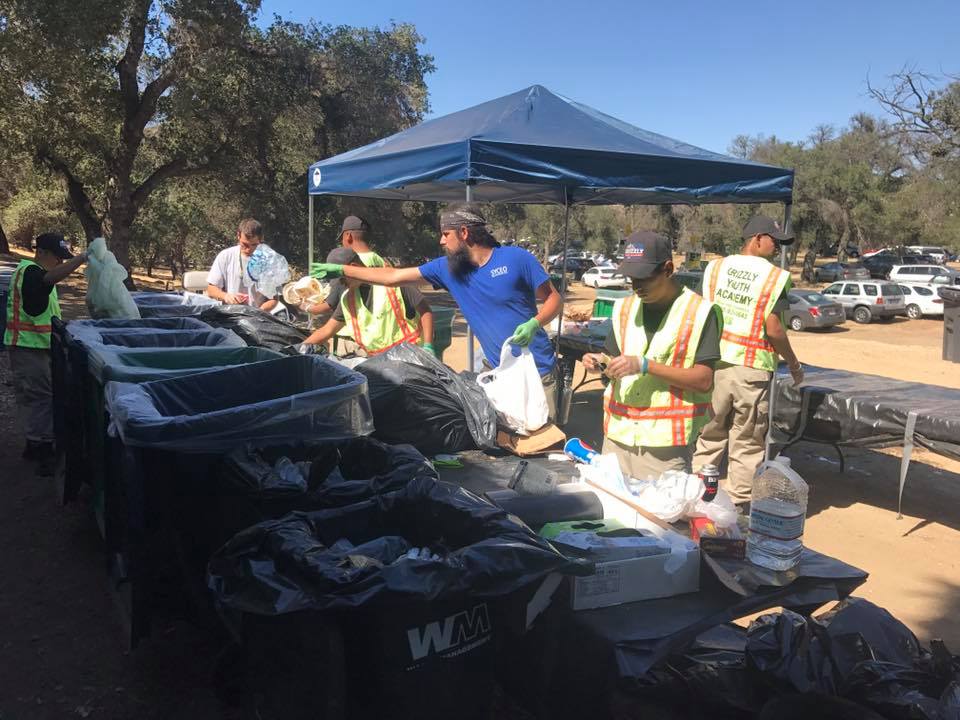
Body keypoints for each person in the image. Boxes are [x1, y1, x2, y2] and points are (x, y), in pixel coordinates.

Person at [311, 203, 563, 416]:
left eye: (445, 234)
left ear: (464, 232)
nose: (441, 240)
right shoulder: (447, 268)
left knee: (547, 446)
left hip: (538, 372)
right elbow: (393, 276)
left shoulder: (517, 259)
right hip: (497, 374)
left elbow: (553, 299)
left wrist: (535, 323)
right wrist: (343, 270)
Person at [581, 231, 721, 481]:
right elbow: (611, 356)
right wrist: (598, 362)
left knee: (659, 519)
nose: (636, 286)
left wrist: (646, 366)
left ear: (668, 269)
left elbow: (703, 381)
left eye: (644, 278)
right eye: (631, 278)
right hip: (617, 437)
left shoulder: (700, 312)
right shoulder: (625, 308)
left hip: (664, 449)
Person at [691, 215, 804, 506]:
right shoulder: (775, 277)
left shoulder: (715, 268)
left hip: (712, 365)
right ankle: (739, 505)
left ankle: (697, 499)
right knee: (747, 442)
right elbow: (774, 328)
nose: (777, 249)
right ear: (757, 239)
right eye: (774, 242)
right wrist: (792, 362)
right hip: (751, 372)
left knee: (709, 434)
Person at [5, 233, 89, 475]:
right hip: (27, 347)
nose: (61, 263)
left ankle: (36, 443)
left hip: (38, 346)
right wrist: (82, 258)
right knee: (40, 398)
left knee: (41, 396)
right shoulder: (30, 272)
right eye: (58, 258)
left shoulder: (38, 275)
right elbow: (49, 278)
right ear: (41, 252)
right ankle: (41, 449)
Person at [302, 247, 435, 356]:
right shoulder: (348, 300)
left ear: (353, 268)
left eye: (342, 280)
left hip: (410, 357)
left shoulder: (394, 284)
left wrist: (428, 346)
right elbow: (327, 330)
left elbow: (425, 310)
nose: (341, 285)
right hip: (380, 365)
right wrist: (300, 348)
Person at [299, 215, 382, 320]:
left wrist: (306, 307)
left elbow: (329, 305)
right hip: (377, 322)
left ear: (348, 236)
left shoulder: (346, 262)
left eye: (342, 238)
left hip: (351, 328)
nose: (342, 243)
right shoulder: (380, 261)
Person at [206, 218, 279, 311]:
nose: (248, 249)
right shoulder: (225, 256)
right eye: (244, 245)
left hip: (258, 317)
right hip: (230, 316)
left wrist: (258, 312)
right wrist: (226, 296)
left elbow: (274, 299)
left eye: (254, 245)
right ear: (238, 236)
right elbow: (211, 289)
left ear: (261, 239)